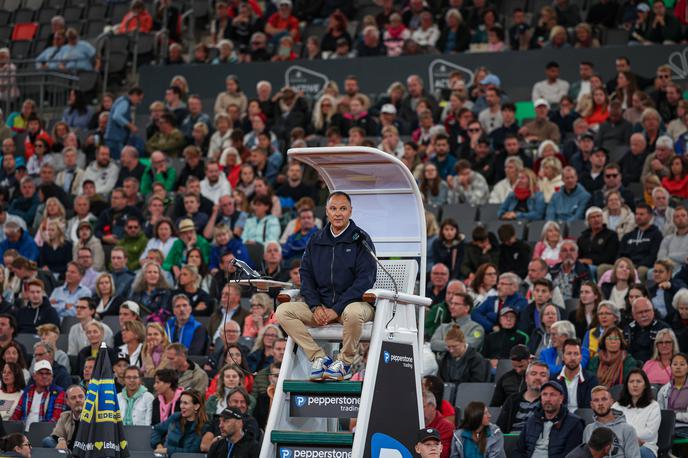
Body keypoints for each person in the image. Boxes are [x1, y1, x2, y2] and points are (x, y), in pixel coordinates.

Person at [276, 191, 376, 381]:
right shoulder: (316, 239)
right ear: (327, 212)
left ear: (350, 212)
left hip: (353, 305)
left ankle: (344, 363)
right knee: (283, 311)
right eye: (333, 208)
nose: (338, 213)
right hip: (321, 307)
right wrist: (315, 306)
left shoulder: (361, 239)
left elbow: (365, 281)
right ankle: (320, 358)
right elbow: (306, 275)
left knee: (354, 312)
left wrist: (336, 309)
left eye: (343, 209)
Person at [512, 380, 584, 458]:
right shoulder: (532, 420)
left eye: (552, 395)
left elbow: (571, 455)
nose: (547, 399)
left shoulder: (574, 423)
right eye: (544, 394)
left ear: (561, 398)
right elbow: (518, 450)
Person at [612, 368, 661, 458]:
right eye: (631, 382)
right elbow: (610, 427)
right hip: (619, 446)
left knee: (630, 451)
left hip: (646, 448)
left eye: (638, 381)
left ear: (645, 385)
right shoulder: (617, 405)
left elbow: (650, 433)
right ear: (626, 385)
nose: (635, 385)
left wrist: (627, 438)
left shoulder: (654, 406)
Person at [582, 385, 641, 458]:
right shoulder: (588, 429)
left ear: (611, 402)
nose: (600, 403)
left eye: (604, 399)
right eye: (596, 400)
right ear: (592, 405)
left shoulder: (627, 430)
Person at [11, 360, 65, 431]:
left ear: (52, 376)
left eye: (48, 373)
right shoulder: (27, 391)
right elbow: (16, 414)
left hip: (45, 432)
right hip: (23, 432)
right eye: (41, 373)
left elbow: (56, 420)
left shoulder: (58, 392)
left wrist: (40, 432)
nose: (44, 376)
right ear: (34, 376)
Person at [497, 361, 549, 433]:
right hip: (511, 441)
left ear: (548, 380)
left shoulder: (550, 401)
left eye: (542, 375)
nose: (538, 377)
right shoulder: (512, 400)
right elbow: (500, 428)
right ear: (526, 378)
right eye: (533, 374)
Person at [151, 389, 208, 455]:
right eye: (181, 402)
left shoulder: (204, 426)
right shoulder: (176, 417)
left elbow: (193, 451)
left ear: (196, 406)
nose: (181, 406)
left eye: (185, 403)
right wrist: (158, 445)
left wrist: (167, 450)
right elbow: (156, 430)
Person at [552, 338, 597, 412]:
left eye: (576, 354)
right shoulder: (553, 380)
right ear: (563, 357)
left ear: (581, 357)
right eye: (569, 353)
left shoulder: (591, 379)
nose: (572, 358)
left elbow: (589, 409)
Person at [624, 297, 669, 363]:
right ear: (633, 315)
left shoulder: (663, 329)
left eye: (647, 311)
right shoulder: (628, 329)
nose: (644, 315)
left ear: (653, 311)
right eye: (640, 312)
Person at [42, 384, 85, 449]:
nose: (78, 400)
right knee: (47, 441)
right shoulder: (65, 416)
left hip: (86, 450)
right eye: (73, 398)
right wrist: (61, 440)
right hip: (68, 450)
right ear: (67, 402)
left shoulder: (94, 416)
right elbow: (56, 434)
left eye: (81, 397)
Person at [657, 352, 688, 438]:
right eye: (675, 364)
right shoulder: (664, 390)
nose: (678, 367)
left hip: (685, 426)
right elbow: (660, 412)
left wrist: (674, 415)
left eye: (682, 364)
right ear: (670, 367)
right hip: (668, 427)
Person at [422, 390, 453, 457]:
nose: (419, 410)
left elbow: (442, 453)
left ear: (432, 407)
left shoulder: (446, 426)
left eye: (422, 407)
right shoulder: (413, 423)